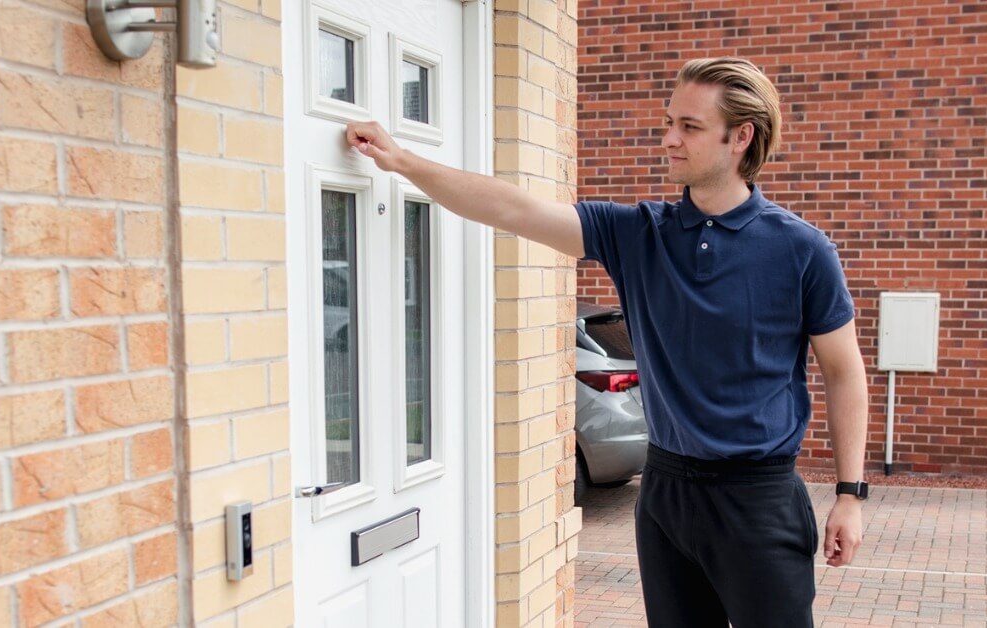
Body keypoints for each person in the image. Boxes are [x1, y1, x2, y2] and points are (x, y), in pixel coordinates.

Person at [345, 57, 868, 628]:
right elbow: (512, 208)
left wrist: (849, 493)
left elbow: (844, 371)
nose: (669, 139)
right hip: (665, 493)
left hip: (757, 499)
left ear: (740, 136)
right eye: (669, 122)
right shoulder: (637, 233)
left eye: (689, 127)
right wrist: (401, 160)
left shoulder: (801, 250)